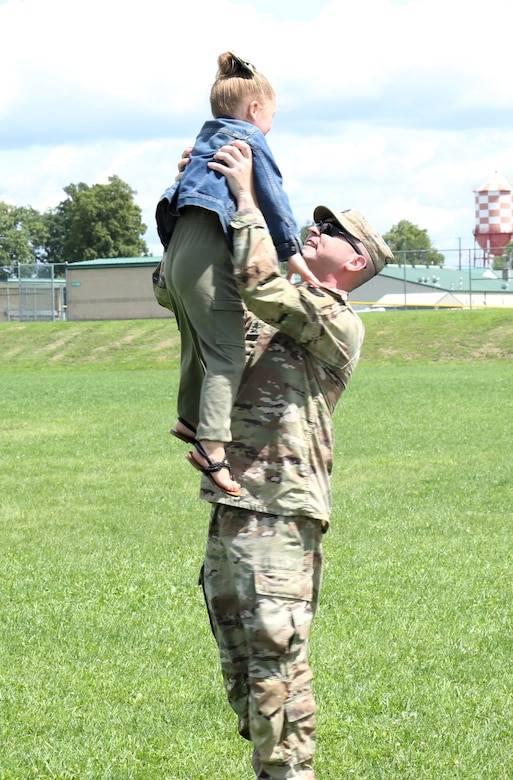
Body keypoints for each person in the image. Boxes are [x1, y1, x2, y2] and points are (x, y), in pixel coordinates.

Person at [185, 140, 394, 780]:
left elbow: (261, 285)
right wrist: (195, 209)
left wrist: (247, 197)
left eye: (330, 229)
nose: (314, 227)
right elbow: (188, 297)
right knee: (244, 674)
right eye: (316, 219)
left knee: (277, 659)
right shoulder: (278, 308)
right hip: (232, 502)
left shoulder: (335, 321)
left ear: (355, 260)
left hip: (281, 511)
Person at [155, 51, 319, 497]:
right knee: (226, 355)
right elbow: (274, 194)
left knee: (195, 341)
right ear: (253, 110)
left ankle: (189, 417)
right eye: (271, 117)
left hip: (177, 252)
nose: (270, 126)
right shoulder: (249, 139)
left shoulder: (202, 143)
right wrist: (294, 254)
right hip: (208, 251)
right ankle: (211, 449)